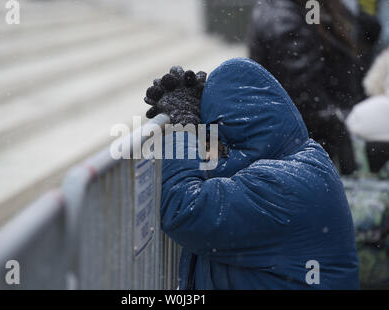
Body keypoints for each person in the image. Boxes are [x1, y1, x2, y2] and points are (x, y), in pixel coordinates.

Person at [144, 58, 359, 289]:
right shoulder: (296, 161)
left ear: (235, 138)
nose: (206, 154)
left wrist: (182, 127)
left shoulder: (284, 186)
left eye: (211, 140)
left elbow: (183, 208)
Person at [247, 0, 381, 175]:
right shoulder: (285, 18)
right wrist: (348, 122)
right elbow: (305, 99)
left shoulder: (307, 9)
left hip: (321, 149)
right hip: (316, 154)